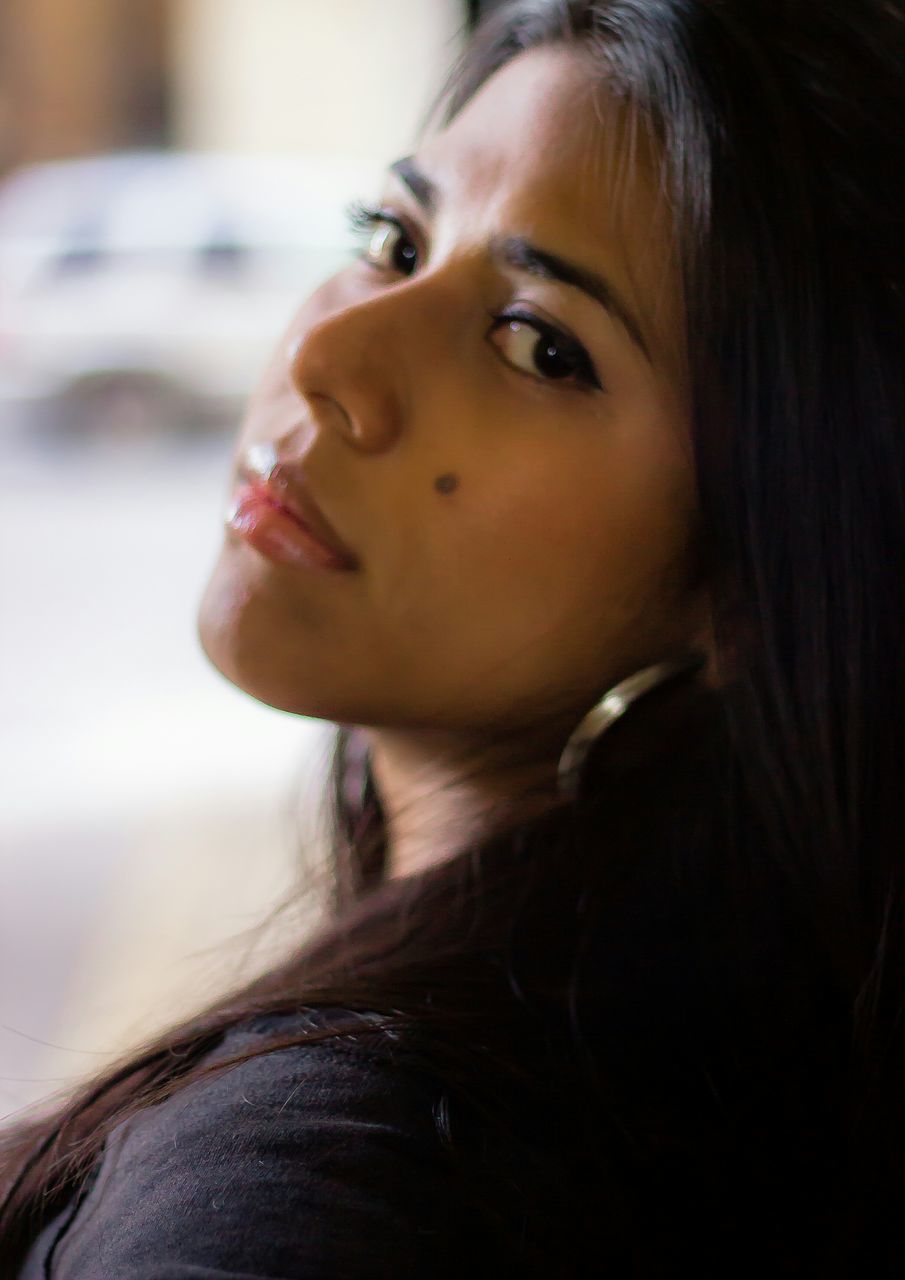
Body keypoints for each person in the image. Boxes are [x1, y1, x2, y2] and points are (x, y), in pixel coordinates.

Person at [3, 0, 905, 1273]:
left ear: (755, 580)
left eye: (539, 345)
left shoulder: (317, 1182)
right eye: (393, 237)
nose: (328, 352)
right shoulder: (716, 1043)